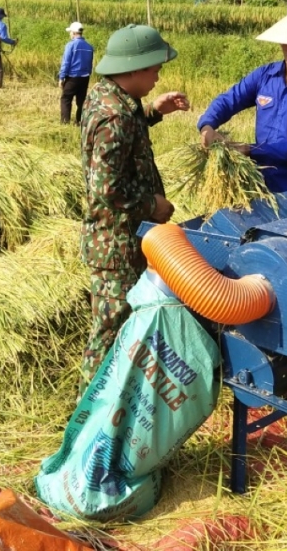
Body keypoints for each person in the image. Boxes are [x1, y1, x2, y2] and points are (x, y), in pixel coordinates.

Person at [78, 24, 190, 394]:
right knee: (111, 327)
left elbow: (125, 133)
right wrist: (152, 205)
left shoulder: (108, 97)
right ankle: (89, 410)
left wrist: (153, 112)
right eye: (155, 68)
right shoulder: (116, 117)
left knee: (120, 323)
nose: (159, 75)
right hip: (116, 244)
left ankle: (115, 396)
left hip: (118, 238)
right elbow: (105, 187)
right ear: (135, 68)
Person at [197, 2, 287, 206]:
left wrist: (251, 150)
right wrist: (207, 125)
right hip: (261, 185)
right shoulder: (265, 75)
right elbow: (230, 99)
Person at [58, 21, 94, 125]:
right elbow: (90, 63)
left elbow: (66, 62)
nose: (70, 34)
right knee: (81, 101)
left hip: (73, 77)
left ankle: (65, 122)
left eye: (70, 32)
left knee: (66, 98)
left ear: (74, 33)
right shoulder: (89, 46)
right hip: (85, 77)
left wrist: (61, 77)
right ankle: (79, 121)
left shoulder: (71, 45)